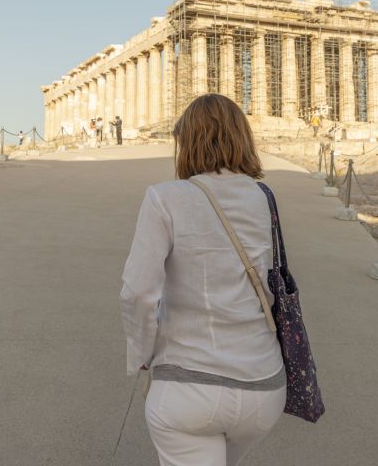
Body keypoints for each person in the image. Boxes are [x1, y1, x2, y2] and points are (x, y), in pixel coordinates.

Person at [120, 93, 285, 466]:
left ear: (186, 142)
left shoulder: (165, 197)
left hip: (189, 387)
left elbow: (138, 292)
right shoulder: (264, 196)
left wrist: (142, 353)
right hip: (264, 387)